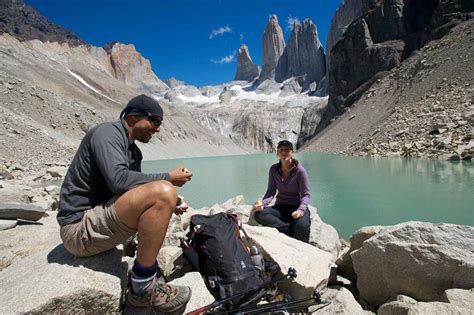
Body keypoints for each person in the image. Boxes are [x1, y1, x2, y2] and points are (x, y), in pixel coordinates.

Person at [57, 94, 193, 312]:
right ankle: (142, 291)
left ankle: (143, 275)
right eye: (154, 121)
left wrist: (171, 202)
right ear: (134, 116)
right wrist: (167, 179)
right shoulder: (107, 133)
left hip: (97, 221)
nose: (158, 129)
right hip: (78, 230)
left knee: (164, 195)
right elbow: (118, 180)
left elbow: (134, 193)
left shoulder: (134, 151)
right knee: (163, 191)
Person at [254, 140, 311, 242]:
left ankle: (302, 244)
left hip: (296, 207)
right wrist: (263, 204)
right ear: (278, 153)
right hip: (281, 207)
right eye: (281, 150)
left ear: (292, 152)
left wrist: (301, 210)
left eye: (287, 150)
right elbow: (271, 191)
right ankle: (288, 230)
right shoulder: (273, 170)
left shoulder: (300, 171)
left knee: (302, 226)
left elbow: (306, 195)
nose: (284, 152)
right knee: (259, 214)